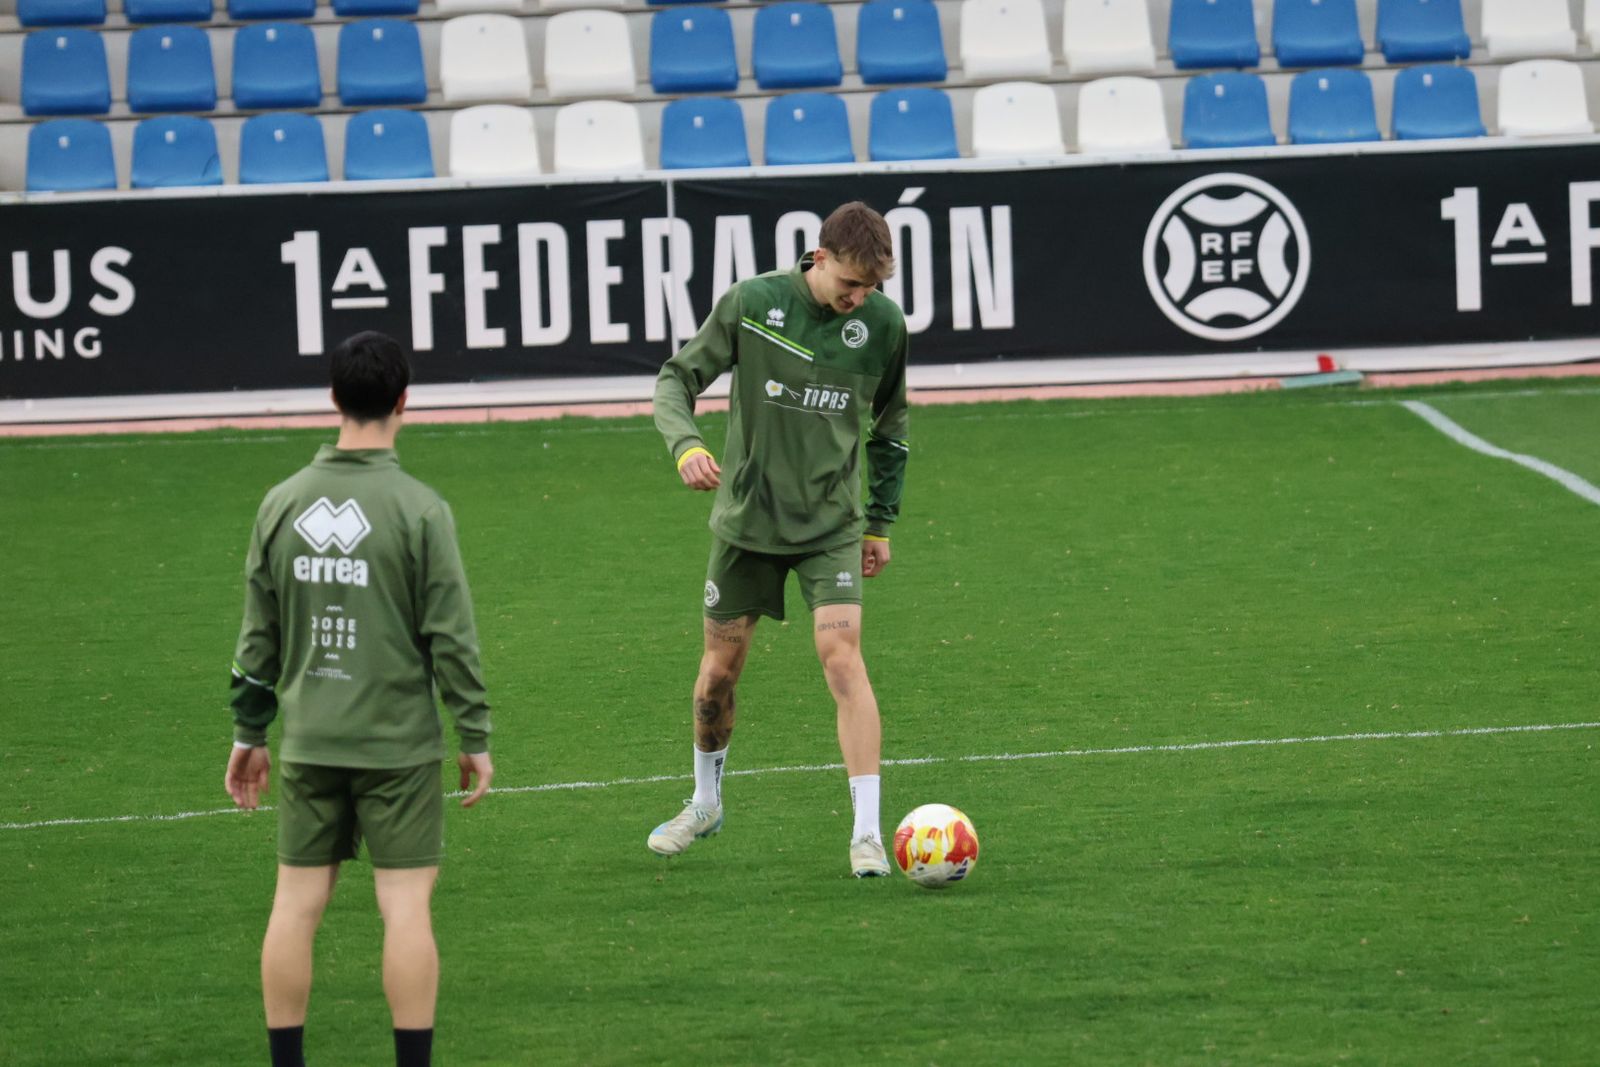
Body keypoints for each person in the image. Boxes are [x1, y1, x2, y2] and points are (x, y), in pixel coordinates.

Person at [224, 331, 494, 1067]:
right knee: (404, 909)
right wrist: (474, 733)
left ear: (333, 398)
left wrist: (250, 733)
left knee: (295, 907)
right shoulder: (420, 510)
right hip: (397, 749)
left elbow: (258, 639)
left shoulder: (281, 504)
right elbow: (453, 639)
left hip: (311, 741)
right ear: (405, 400)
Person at [649, 201, 910, 878]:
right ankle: (705, 801)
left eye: (871, 288)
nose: (860, 299)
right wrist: (685, 446)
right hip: (748, 525)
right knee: (717, 676)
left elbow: (892, 423)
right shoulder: (752, 303)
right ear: (818, 258)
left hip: (830, 526)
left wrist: (879, 519)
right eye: (851, 284)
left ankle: (867, 833)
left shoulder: (881, 324)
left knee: (842, 659)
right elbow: (675, 379)